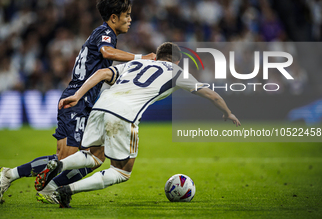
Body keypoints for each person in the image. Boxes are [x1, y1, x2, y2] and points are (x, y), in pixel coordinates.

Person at [0, 0, 156, 205]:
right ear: (114, 17)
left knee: (96, 158)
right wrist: (141, 58)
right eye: (127, 15)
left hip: (88, 103)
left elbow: (104, 70)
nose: (130, 19)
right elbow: (107, 53)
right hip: (77, 101)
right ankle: (10, 174)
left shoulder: (103, 35)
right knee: (65, 159)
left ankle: (52, 187)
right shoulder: (105, 33)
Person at [34, 42, 241, 208]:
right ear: (177, 60)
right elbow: (211, 95)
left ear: (157, 56)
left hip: (100, 107)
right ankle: (67, 191)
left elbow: (102, 73)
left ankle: (59, 164)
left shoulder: (136, 63)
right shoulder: (177, 72)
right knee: (122, 172)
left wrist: (77, 95)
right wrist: (228, 112)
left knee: (93, 157)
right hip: (123, 114)